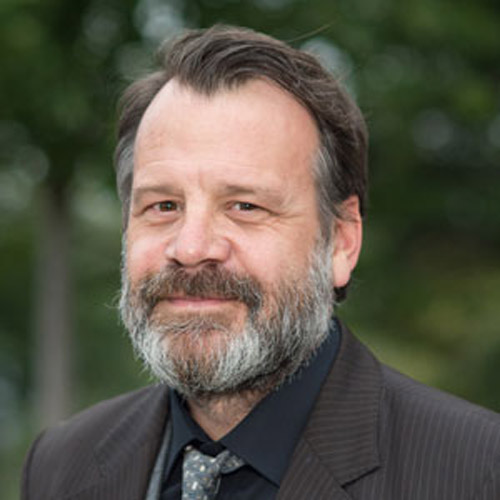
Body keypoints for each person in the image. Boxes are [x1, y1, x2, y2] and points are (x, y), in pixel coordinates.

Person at [22, 25, 500, 500]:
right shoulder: (60, 466)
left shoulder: (477, 472)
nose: (191, 248)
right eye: (164, 206)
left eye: (245, 206)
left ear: (342, 241)